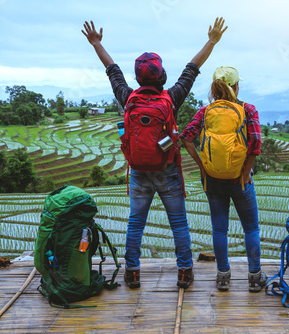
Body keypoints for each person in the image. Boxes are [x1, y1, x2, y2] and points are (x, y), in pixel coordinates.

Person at [82, 18, 228, 289]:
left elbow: (111, 69)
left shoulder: (128, 97)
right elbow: (192, 70)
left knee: (135, 224)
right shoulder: (171, 98)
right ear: (161, 76)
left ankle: (132, 273)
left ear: (138, 78)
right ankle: (185, 272)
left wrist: (96, 43)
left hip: (138, 170)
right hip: (167, 169)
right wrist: (212, 41)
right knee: (179, 225)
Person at [180, 66, 267, 292]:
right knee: (251, 229)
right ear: (236, 86)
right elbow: (256, 145)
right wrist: (246, 173)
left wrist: (202, 167)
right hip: (240, 180)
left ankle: (223, 277)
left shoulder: (206, 111)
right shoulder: (248, 109)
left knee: (219, 229)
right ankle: (255, 277)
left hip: (213, 180)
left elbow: (186, 138)